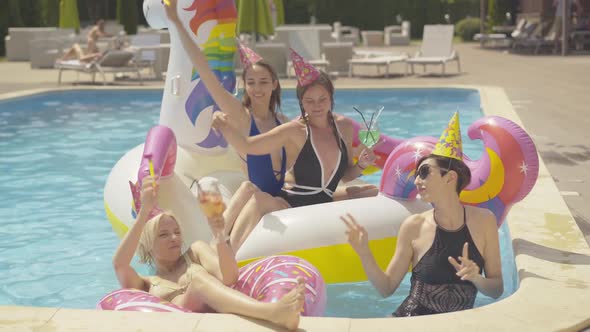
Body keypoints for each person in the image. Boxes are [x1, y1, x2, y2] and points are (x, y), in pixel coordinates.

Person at [163, 0, 376, 243]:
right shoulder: (242, 116)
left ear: (275, 84)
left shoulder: (284, 121)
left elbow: (318, 157)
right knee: (248, 190)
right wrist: (178, 24)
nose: (257, 89)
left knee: (368, 191)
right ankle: (219, 244)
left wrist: (359, 165)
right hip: (264, 200)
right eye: (251, 82)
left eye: (263, 81)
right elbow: (206, 73)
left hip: (287, 197)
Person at [211, 48, 379, 250]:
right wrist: (225, 128)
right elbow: (248, 146)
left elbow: (343, 175)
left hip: (323, 199)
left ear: (331, 98)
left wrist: (361, 164)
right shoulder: (294, 130)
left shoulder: (344, 127)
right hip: (291, 201)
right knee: (258, 198)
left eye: (322, 99)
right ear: (301, 102)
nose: (316, 106)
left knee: (371, 191)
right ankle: (227, 254)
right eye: (309, 101)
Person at [341, 112, 503, 317]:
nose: (417, 180)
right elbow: (386, 288)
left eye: (425, 173)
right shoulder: (413, 226)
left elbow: (496, 289)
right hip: (410, 323)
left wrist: (476, 278)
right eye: (416, 174)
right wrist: (364, 252)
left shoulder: (485, 220)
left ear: (450, 177)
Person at [113, 176, 305, 330]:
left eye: (177, 232)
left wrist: (221, 237)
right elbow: (120, 265)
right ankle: (271, 312)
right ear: (148, 244)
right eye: (164, 234)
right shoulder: (146, 284)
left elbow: (229, 278)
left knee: (198, 279)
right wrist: (144, 212)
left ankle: (273, 311)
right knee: (197, 282)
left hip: (219, 313)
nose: (174, 238)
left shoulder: (195, 252)